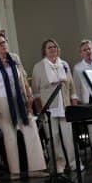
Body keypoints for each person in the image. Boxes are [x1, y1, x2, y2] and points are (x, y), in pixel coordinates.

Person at [0, 32, 46, 179]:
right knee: (9, 136)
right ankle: (15, 172)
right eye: (0, 44)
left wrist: (29, 96)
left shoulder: (14, 58)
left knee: (31, 130)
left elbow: (24, 78)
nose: (4, 45)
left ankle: (36, 169)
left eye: (5, 42)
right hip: (2, 102)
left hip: (20, 100)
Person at [31, 39, 80, 173]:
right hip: (49, 108)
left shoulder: (64, 64)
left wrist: (74, 103)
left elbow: (71, 86)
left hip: (65, 106)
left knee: (69, 137)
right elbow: (35, 92)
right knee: (54, 137)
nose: (53, 49)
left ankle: (74, 163)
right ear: (44, 51)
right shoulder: (38, 67)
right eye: (49, 47)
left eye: (54, 47)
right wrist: (40, 110)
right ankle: (59, 164)